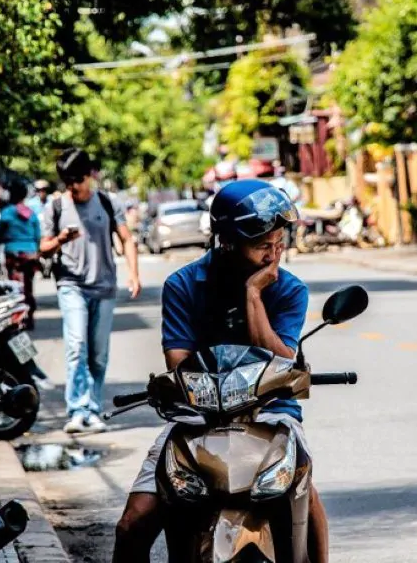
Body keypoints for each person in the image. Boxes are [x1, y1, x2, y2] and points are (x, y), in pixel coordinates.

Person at [113, 179, 330, 563]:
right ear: (227, 242)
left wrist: (253, 295)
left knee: (302, 494)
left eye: (279, 243)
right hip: (197, 417)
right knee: (133, 524)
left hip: (271, 413)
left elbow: (283, 359)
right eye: (263, 246)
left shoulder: (289, 289)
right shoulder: (183, 284)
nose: (273, 255)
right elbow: (178, 362)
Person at [40, 148, 141, 434]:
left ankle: (93, 409)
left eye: (77, 180)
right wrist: (61, 239)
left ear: (90, 176)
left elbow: (127, 238)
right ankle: (77, 410)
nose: (73, 187)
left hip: (104, 286)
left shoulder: (108, 203)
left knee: (98, 355)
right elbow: (43, 247)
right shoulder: (56, 207)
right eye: (68, 182)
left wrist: (134, 274)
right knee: (76, 347)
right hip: (71, 285)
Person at [0, 181, 41, 329]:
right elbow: (38, 235)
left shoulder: (7, 213)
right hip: (30, 254)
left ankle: (17, 318)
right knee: (29, 286)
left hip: (13, 254)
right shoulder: (32, 213)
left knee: (15, 287)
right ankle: (30, 316)